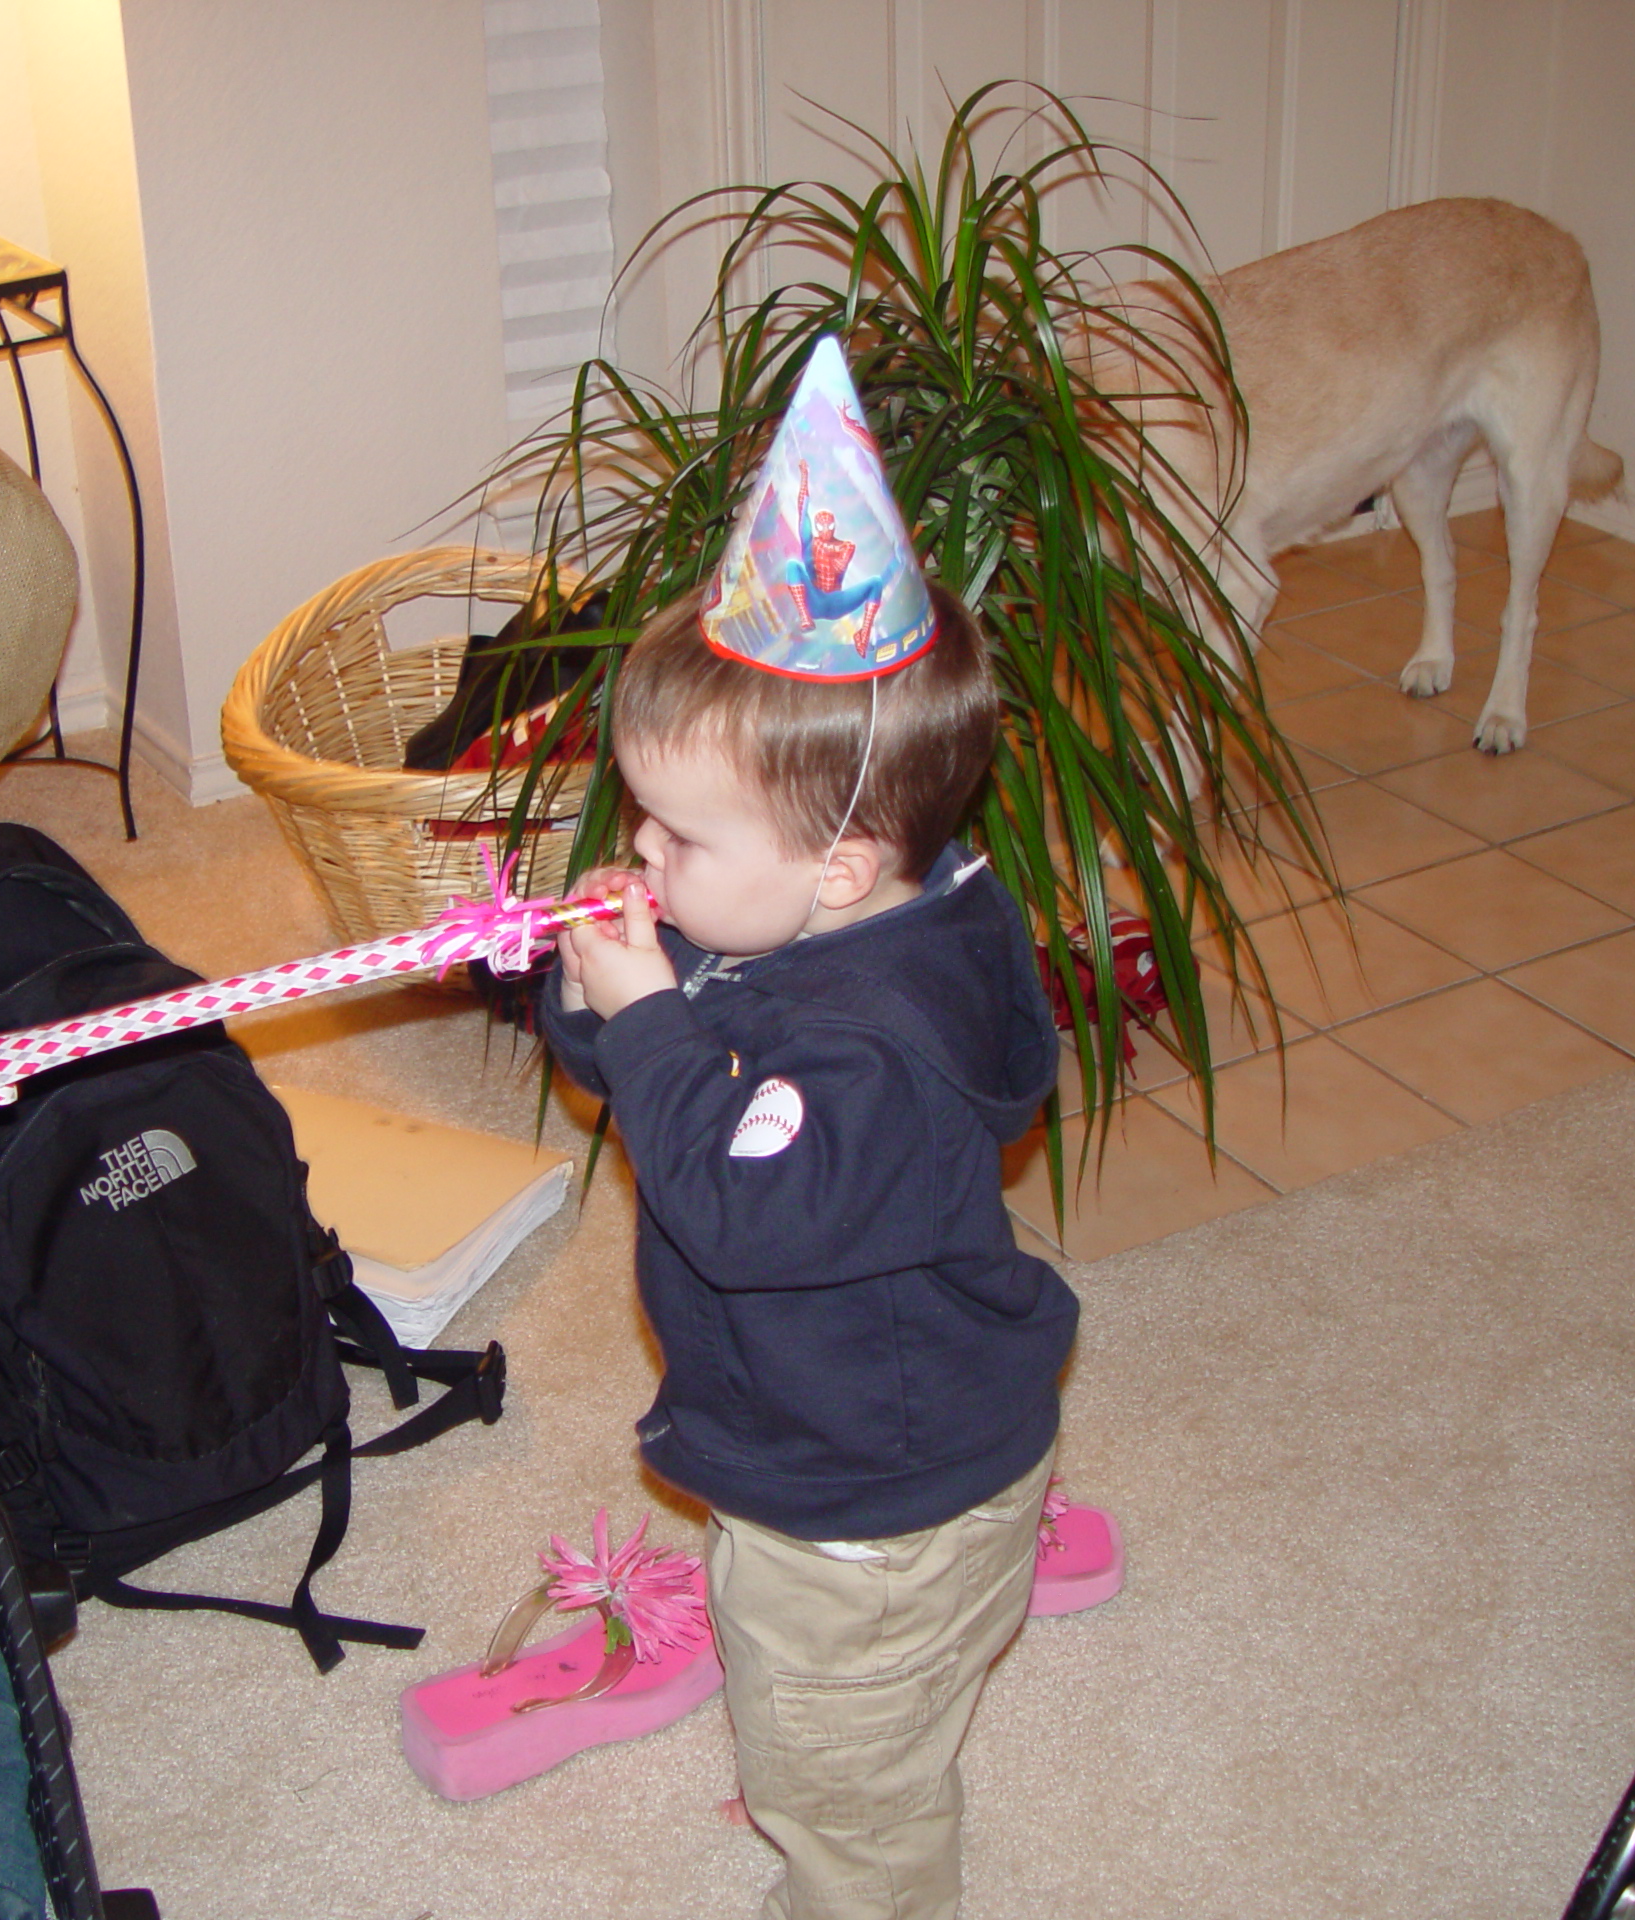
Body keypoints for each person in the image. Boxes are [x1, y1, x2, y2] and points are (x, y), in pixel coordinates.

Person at [539, 338, 1079, 1920]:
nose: (642, 844)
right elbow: (661, 1050)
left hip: (875, 1489)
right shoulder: (786, 912)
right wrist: (610, 986)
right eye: (640, 809)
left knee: (835, 1782)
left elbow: (739, 1207)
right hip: (834, 1441)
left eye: (678, 833)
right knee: (828, 1703)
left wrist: (647, 1016)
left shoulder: (873, 1052)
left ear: (840, 869)